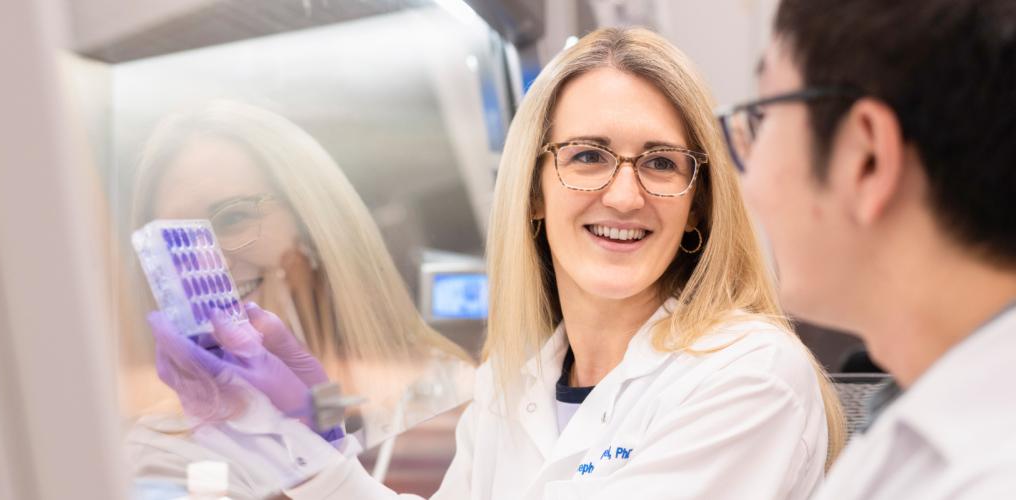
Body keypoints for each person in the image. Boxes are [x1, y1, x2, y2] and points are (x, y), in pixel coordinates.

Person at [168, 27, 847, 499]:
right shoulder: (509, 385)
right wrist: (299, 434)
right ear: (533, 194)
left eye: (662, 163)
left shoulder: (749, 375)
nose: (624, 192)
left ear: (696, 205)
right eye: (588, 155)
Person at [723, 0, 1016, 498]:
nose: (750, 185)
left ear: (867, 158)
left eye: (763, 117)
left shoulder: (989, 472)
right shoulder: (911, 419)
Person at [123, 100, 475, 495]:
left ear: (314, 222)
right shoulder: (165, 453)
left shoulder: (445, 385)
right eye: (180, 240)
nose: (212, 261)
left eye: (233, 218)